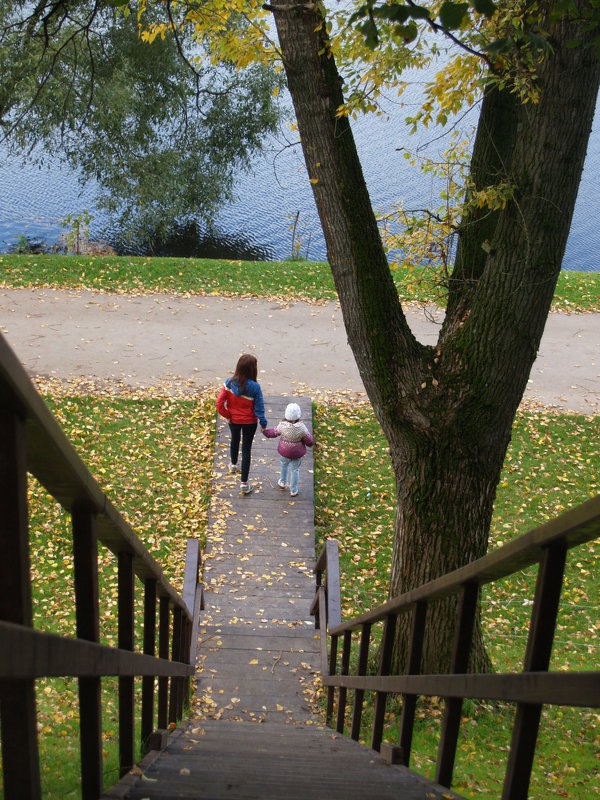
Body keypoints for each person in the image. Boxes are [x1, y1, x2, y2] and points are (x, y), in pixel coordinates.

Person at [216, 354, 267, 494]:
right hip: (250, 422)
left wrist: (228, 415)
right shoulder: (255, 387)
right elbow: (259, 407)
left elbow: (219, 403)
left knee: (234, 439)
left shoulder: (229, 383)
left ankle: (233, 465)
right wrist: (263, 423)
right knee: (246, 449)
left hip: (234, 420)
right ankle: (244, 483)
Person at [262, 402, 314, 497]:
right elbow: (309, 440)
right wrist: (310, 444)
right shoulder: (302, 428)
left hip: (285, 451)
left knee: (284, 465)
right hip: (297, 453)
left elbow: (273, 433)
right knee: (295, 470)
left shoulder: (282, 426)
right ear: (298, 415)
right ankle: (293, 490)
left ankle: (282, 482)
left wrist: (265, 432)